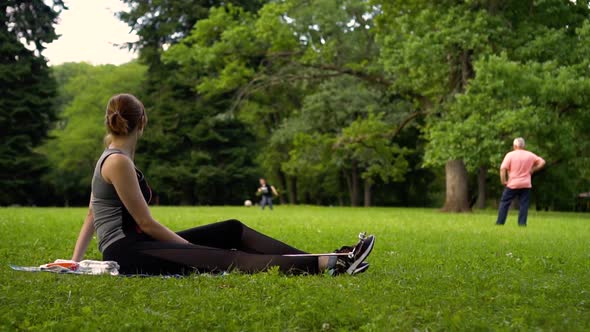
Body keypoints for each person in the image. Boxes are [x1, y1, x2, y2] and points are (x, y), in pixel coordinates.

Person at [70, 93, 375, 275]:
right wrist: (188, 247)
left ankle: (325, 259)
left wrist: (74, 262)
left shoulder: (112, 158)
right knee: (229, 259)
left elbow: (91, 213)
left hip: (136, 245)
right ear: (143, 121)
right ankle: (332, 264)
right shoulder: (118, 162)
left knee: (232, 229)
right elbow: (145, 223)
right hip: (129, 253)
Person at [495, 137, 545, 226]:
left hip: (512, 183)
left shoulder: (510, 155)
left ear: (515, 146)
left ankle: (500, 222)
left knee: (505, 202)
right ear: (523, 145)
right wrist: (533, 169)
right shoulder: (530, 155)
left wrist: (503, 180)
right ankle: (522, 223)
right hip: (526, 184)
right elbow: (542, 162)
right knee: (524, 204)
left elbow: (503, 169)